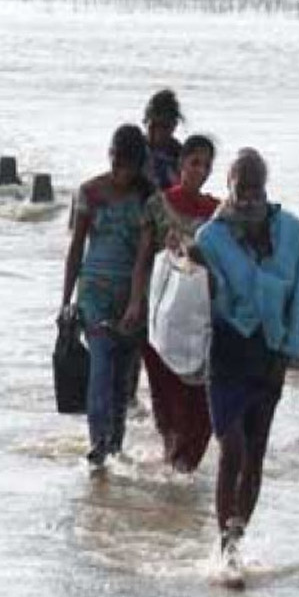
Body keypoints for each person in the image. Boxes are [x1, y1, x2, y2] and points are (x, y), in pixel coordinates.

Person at [188, 149, 299, 570]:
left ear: (266, 187)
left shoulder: (290, 230)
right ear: (230, 187)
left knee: (256, 451)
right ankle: (224, 544)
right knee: (233, 448)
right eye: (242, 189)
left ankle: (237, 538)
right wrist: (195, 267)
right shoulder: (211, 238)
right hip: (227, 351)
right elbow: (204, 298)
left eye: (256, 189)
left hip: (270, 352)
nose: (249, 198)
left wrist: (289, 352)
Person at [123, 135, 221, 473]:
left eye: (207, 166)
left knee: (201, 399)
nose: (201, 171)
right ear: (181, 164)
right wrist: (135, 303)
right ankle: (174, 464)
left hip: (201, 320)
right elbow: (142, 260)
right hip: (162, 316)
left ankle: (184, 464)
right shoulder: (158, 205)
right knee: (167, 394)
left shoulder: (217, 213)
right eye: (195, 163)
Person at [59, 125, 154, 467]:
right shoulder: (89, 192)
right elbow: (76, 248)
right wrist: (65, 301)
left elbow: (144, 257)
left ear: (138, 165)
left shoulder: (148, 199)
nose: (119, 172)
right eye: (116, 162)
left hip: (131, 293)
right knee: (100, 365)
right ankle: (98, 444)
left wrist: (136, 302)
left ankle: (115, 446)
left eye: (127, 166)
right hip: (94, 292)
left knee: (122, 378)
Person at [143, 88, 184, 191]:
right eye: (153, 125)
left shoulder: (180, 155)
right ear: (146, 122)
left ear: (174, 125)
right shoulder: (135, 147)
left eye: (164, 126)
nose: (158, 133)